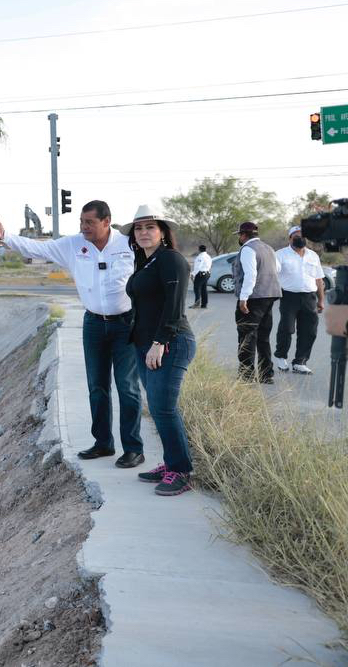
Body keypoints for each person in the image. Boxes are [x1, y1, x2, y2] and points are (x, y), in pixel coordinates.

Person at [0, 200, 144, 467]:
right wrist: (7, 237)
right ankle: (103, 443)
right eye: (81, 222)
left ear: (106, 222)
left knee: (127, 387)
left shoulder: (129, 244)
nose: (84, 227)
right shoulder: (73, 245)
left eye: (89, 223)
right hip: (94, 324)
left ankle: (133, 448)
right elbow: (40, 248)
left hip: (126, 324)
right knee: (97, 387)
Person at [122, 205, 196, 496]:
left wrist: (159, 342)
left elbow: (174, 306)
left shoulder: (171, 260)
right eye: (138, 228)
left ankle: (182, 471)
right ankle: (171, 463)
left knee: (164, 408)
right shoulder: (147, 262)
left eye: (150, 227)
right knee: (157, 408)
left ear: (163, 231)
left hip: (170, 343)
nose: (143, 232)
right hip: (146, 345)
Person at [233, 221, 282, 385]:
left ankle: (246, 375)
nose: (239, 238)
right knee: (263, 337)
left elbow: (250, 275)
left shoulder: (247, 249)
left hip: (253, 299)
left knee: (247, 337)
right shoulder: (269, 248)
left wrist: (243, 298)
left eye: (239, 234)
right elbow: (278, 269)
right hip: (270, 295)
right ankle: (267, 374)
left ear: (244, 235)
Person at [274, 226, 324, 374]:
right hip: (289, 296)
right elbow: (273, 275)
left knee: (309, 331)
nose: (300, 238)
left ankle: (300, 362)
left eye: (303, 236)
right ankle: (281, 356)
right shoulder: (280, 254)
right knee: (287, 328)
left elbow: (319, 279)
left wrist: (321, 300)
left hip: (310, 297)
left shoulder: (313, 255)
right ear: (290, 238)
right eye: (296, 236)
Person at [190, 244, 212, 309]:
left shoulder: (200, 257)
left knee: (196, 288)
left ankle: (197, 304)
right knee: (203, 289)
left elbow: (198, 267)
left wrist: (193, 274)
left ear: (199, 249)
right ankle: (204, 304)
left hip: (201, 274)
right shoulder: (208, 256)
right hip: (207, 273)